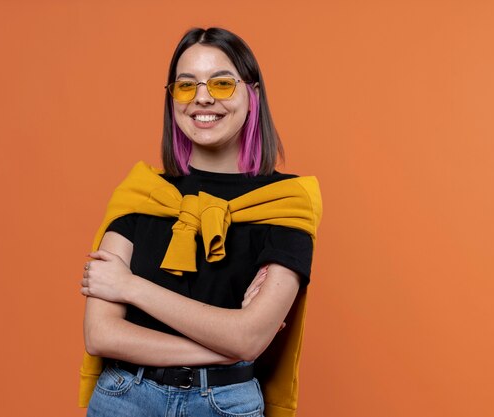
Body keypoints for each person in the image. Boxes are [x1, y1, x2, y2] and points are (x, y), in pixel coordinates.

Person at [78, 27, 322, 417]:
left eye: (222, 83)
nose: (203, 98)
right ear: (172, 98)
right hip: (125, 399)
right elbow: (101, 334)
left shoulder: (287, 202)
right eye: (186, 85)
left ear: (252, 93)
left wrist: (131, 287)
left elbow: (251, 336)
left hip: (223, 406)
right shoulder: (142, 192)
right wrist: (228, 348)